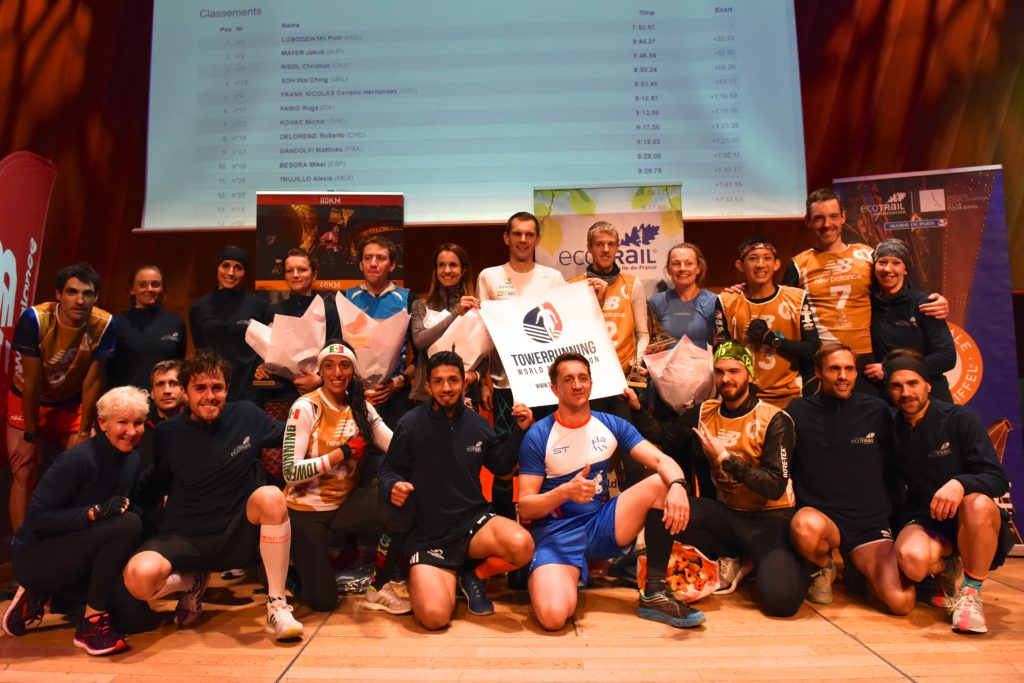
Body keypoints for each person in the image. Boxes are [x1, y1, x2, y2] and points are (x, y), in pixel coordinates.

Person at [123, 350, 304, 641]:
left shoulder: (246, 415)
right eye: (200, 388)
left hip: (235, 536)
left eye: (216, 387)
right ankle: (191, 584)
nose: (210, 396)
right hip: (184, 537)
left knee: (271, 496)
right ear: (186, 393)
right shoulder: (167, 433)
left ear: (227, 389)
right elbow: (156, 482)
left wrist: (340, 419)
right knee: (138, 579)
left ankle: (277, 605)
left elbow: (296, 433)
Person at [517, 352, 704, 631]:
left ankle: (653, 593)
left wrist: (678, 486)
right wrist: (563, 493)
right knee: (554, 617)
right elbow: (525, 507)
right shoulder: (539, 434)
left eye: (583, 378)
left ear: (591, 384)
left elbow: (660, 460)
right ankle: (572, 573)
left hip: (600, 525)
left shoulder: (611, 424)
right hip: (557, 536)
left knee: (661, 482)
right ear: (555, 389)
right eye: (568, 380)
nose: (577, 385)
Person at [621, 342, 806, 617]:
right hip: (727, 516)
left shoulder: (775, 419)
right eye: (719, 372)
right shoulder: (706, 410)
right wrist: (636, 409)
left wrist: (725, 459)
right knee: (664, 505)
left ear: (750, 375)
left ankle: (759, 560)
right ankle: (658, 588)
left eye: (734, 371)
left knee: (782, 603)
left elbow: (774, 484)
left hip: (770, 520)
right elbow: (663, 435)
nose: (726, 379)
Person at [379, 351, 535, 629]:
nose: (447, 387)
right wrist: (393, 486)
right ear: (428, 387)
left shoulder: (477, 424)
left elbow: (500, 466)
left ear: (464, 383)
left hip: (472, 525)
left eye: (453, 380)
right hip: (428, 535)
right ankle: (445, 575)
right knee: (434, 619)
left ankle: (472, 575)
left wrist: (519, 431)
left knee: (522, 545)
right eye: (438, 381)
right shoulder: (410, 424)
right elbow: (389, 470)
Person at [2, 386, 149, 656]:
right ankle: (90, 625)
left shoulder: (132, 458)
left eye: (138, 422)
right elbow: (36, 520)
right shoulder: (76, 460)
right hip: (38, 556)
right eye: (122, 422)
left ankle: (44, 596)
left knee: (135, 618)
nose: (131, 430)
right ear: (102, 423)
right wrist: (92, 512)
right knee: (127, 524)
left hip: (81, 557)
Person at [886, 349, 1010, 634]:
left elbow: (997, 478)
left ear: (928, 384)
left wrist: (960, 484)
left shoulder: (960, 418)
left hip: (973, 520)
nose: (906, 392)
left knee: (976, 504)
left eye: (913, 383)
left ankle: (971, 594)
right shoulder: (891, 427)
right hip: (929, 521)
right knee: (913, 562)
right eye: (896, 386)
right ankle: (947, 569)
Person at [282, 342, 411, 614]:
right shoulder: (305, 407)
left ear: (353, 370)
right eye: (329, 365)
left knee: (401, 505)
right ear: (321, 371)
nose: (337, 372)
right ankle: (283, 572)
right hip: (307, 511)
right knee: (323, 602)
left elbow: (394, 444)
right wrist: (341, 453)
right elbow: (290, 472)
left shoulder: (360, 406)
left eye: (344, 365)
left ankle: (378, 587)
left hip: (344, 504)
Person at [786, 345, 913, 614]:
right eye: (834, 369)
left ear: (857, 373)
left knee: (902, 603)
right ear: (819, 372)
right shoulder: (797, 411)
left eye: (849, 369)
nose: (843, 376)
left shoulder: (878, 410)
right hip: (823, 519)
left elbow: (893, 469)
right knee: (804, 527)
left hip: (868, 524)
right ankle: (824, 566)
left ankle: (859, 567)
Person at [785, 188, 948, 393]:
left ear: (843, 217)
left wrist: (934, 301)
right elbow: (782, 309)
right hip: (821, 362)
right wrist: (744, 290)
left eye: (833, 216)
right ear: (808, 221)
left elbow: (901, 291)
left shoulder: (867, 255)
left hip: (866, 363)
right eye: (819, 218)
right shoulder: (798, 264)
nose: (827, 225)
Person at [7, 263, 115, 531]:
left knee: (81, 467)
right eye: (71, 292)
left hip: (70, 403)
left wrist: (84, 429)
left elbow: (93, 381)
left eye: (87, 294)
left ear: (96, 297)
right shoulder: (36, 318)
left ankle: (64, 540)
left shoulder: (105, 323)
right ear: (58, 294)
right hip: (29, 399)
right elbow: (32, 381)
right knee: (24, 468)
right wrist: (30, 436)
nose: (79, 300)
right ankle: (24, 548)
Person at [477, 212, 566, 438]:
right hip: (504, 384)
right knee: (505, 459)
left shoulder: (553, 277)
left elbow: (565, 330)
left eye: (529, 234)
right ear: (506, 238)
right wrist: (483, 383)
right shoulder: (489, 276)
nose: (523, 240)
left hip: (546, 385)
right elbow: (483, 334)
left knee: (549, 451)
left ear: (537, 239)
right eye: (517, 234)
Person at [715, 236, 819, 408]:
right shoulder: (726, 302)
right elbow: (721, 352)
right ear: (740, 265)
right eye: (753, 258)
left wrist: (772, 340)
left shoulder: (797, 298)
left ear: (777, 264)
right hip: (745, 399)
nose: (761, 264)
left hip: (790, 398)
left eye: (767, 258)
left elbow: (813, 349)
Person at [864, 239, 955, 401]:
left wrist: (890, 369)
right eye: (882, 262)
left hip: (931, 396)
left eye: (896, 263)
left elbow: (947, 357)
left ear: (905, 269)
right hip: (889, 397)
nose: (887, 269)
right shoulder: (865, 302)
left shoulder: (925, 305)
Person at [256, 248, 343, 407]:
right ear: (285, 276)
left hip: (319, 394)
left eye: (302, 270)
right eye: (290, 270)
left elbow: (336, 353)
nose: (295, 275)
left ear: (314, 274)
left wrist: (320, 380)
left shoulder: (328, 309)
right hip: (279, 397)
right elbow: (265, 353)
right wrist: (262, 368)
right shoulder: (274, 310)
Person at [342, 235, 412, 428]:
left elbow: (421, 354)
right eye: (368, 258)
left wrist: (399, 381)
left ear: (391, 265)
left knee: (394, 452)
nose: (373, 263)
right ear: (360, 264)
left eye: (380, 258)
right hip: (354, 393)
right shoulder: (346, 298)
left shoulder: (407, 299)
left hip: (394, 393)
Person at [408, 243, 487, 408]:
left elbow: (483, 354)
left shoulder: (476, 307)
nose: (447, 270)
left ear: (463, 270)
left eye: (453, 265)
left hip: (466, 395)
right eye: (441, 265)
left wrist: (476, 377)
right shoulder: (421, 305)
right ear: (435, 271)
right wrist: (455, 313)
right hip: (425, 396)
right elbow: (420, 341)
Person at [188, 246, 269, 405]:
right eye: (225, 265)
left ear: (245, 273)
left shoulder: (259, 306)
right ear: (218, 268)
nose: (230, 272)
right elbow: (200, 349)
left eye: (238, 268)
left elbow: (265, 349)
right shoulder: (198, 307)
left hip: (248, 389)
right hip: (211, 389)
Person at [568, 221, 649, 374]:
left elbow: (642, 333)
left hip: (624, 374)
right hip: (586, 374)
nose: (606, 250)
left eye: (611, 244)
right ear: (589, 248)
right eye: (599, 244)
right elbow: (570, 334)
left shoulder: (633, 284)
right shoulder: (573, 286)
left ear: (617, 247)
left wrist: (636, 366)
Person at [106, 265, 186, 390]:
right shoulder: (116, 323)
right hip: (127, 401)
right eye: (142, 285)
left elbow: (180, 366)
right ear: (132, 289)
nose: (149, 289)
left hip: (165, 398)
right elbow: (106, 370)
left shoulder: (176, 322)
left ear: (163, 288)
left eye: (155, 284)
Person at [647, 242, 717, 350]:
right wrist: (654, 347)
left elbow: (721, 343)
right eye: (676, 264)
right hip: (666, 366)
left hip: (703, 366)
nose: (682, 268)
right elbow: (650, 341)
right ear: (669, 269)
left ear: (698, 268)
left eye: (689, 263)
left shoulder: (713, 301)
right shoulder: (657, 301)